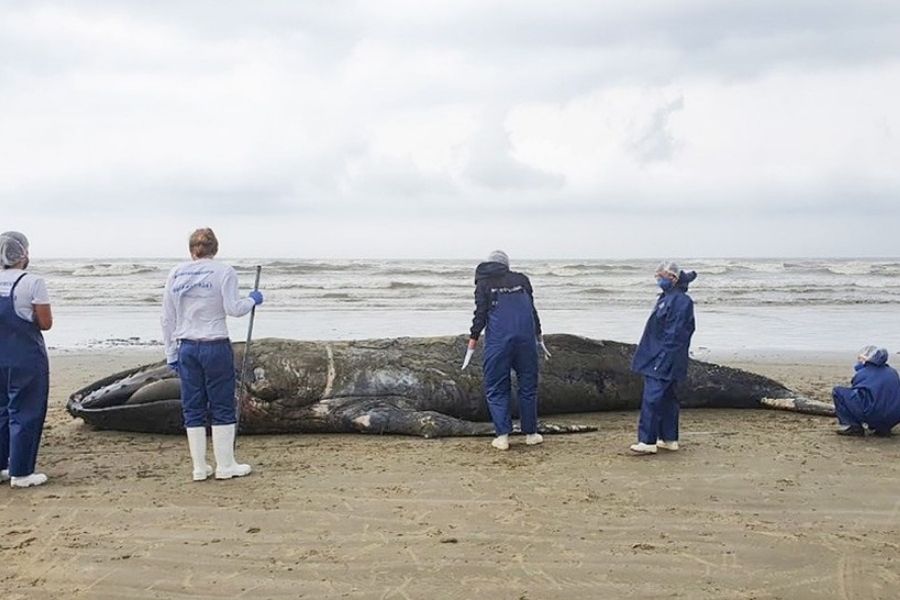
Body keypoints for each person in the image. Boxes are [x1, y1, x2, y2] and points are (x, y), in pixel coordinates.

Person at [161, 228, 263, 481]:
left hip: (187, 346)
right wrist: (253, 300)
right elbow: (234, 309)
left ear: (191, 249)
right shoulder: (224, 271)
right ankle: (225, 465)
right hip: (214, 344)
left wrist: (170, 352)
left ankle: (199, 467)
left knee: (193, 405)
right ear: (215, 249)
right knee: (221, 403)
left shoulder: (176, 273)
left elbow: (167, 317)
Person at [465, 250, 550, 450]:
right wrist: (539, 335)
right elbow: (532, 310)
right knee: (528, 386)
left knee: (496, 387)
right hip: (526, 340)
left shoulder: (484, 283)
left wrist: (473, 339)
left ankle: (502, 437)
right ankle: (531, 433)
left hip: (499, 341)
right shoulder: (522, 279)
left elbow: (480, 314)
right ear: (507, 265)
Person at [0, 231, 53, 488]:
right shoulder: (32, 282)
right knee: (26, 411)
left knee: (0, 411)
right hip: (25, 356)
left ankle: (1, 466)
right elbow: (45, 323)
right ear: (23, 254)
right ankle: (21, 472)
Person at [630, 261, 697, 455]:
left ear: (673, 278)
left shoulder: (680, 301)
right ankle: (668, 438)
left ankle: (647, 440)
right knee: (668, 398)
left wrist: (663, 357)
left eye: (661, 275)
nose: (658, 279)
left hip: (664, 356)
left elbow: (676, 333)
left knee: (653, 397)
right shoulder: (666, 298)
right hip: (661, 354)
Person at [832, 346, 900, 437]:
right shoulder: (893, 372)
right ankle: (883, 428)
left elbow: (856, 392)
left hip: (873, 413)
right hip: (894, 416)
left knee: (838, 392)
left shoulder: (863, 373)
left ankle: (854, 427)